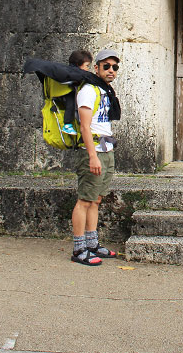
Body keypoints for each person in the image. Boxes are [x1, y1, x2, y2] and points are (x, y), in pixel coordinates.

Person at [71, 48, 121, 266]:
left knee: (96, 199)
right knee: (84, 200)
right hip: (92, 152)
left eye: (115, 67)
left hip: (106, 150)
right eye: (106, 66)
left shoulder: (105, 91)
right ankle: (79, 248)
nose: (111, 70)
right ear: (96, 68)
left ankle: (92, 243)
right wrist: (92, 156)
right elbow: (84, 126)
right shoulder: (89, 91)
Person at [61, 50, 93, 135]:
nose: (87, 68)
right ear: (79, 64)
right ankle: (67, 124)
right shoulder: (74, 73)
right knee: (71, 106)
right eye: (87, 66)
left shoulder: (70, 71)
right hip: (68, 94)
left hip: (71, 92)